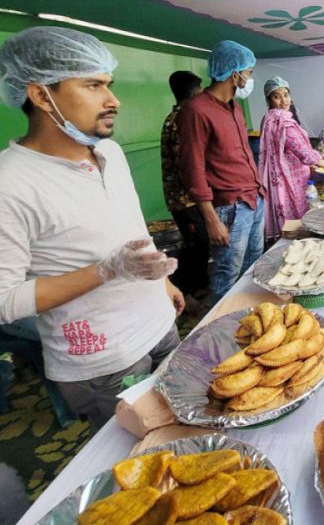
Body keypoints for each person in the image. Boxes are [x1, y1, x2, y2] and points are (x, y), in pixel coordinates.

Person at [0, 27, 184, 431]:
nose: (113, 99)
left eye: (108, 84)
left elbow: (130, 225)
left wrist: (162, 283)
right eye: (92, 85)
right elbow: (5, 300)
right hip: (106, 361)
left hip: (160, 325)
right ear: (40, 95)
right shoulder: (10, 182)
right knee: (146, 453)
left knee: (191, 423)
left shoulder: (110, 153)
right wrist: (106, 271)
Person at [178, 40, 265, 304]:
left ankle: (247, 314)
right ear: (234, 74)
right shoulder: (196, 109)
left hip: (254, 198)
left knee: (253, 266)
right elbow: (192, 167)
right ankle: (217, 324)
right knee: (227, 273)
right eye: (249, 72)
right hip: (230, 206)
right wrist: (211, 219)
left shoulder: (234, 107)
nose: (250, 78)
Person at [259, 76, 324, 240]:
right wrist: (323, 164)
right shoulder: (282, 122)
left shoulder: (268, 118)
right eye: (277, 96)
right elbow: (301, 151)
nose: (283, 100)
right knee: (296, 216)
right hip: (291, 178)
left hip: (277, 176)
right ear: (269, 100)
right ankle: (298, 240)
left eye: (286, 95)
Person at [160, 70, 210, 301]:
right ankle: (186, 289)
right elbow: (189, 163)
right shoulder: (182, 120)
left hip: (183, 196)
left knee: (198, 243)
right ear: (194, 92)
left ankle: (196, 286)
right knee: (196, 244)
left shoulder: (175, 117)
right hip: (185, 198)